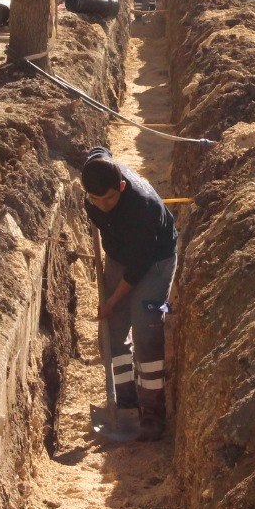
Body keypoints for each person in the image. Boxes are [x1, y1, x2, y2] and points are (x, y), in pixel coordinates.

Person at [81, 148, 177, 442]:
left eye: (108, 198)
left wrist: (111, 301)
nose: (102, 205)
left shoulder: (143, 209)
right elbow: (97, 153)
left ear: (121, 187)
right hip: (120, 255)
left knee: (146, 328)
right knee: (111, 332)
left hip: (155, 260)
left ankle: (152, 413)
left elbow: (137, 269)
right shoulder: (96, 185)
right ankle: (125, 404)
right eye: (95, 199)